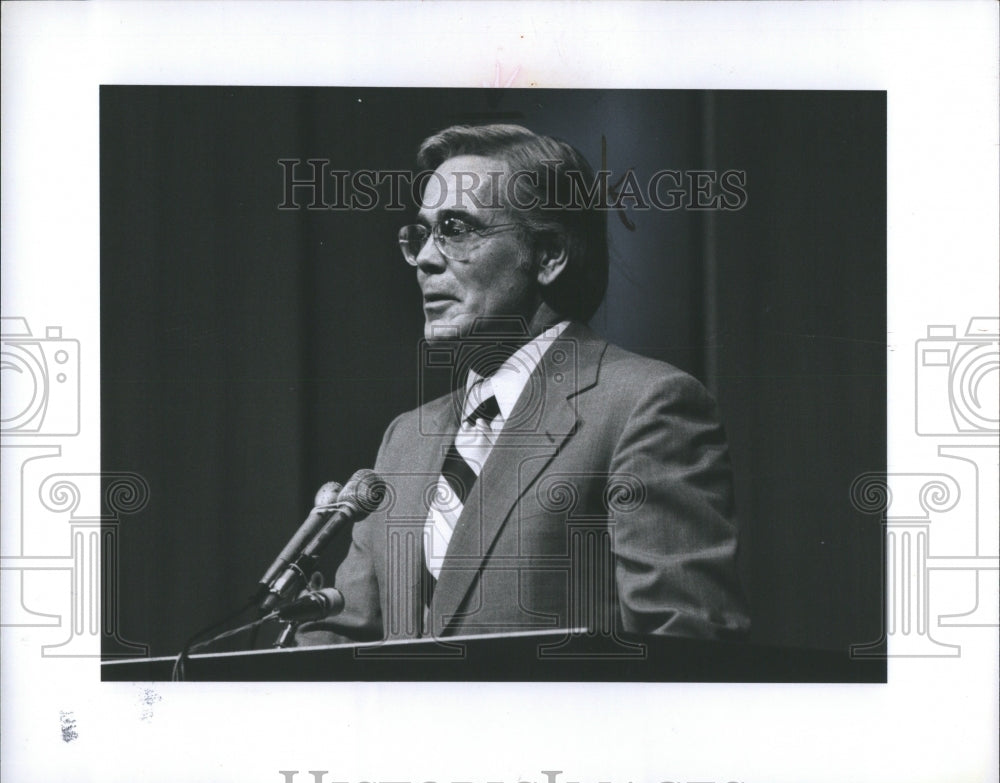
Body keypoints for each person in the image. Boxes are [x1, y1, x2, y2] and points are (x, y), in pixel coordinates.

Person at [296, 124, 749, 645]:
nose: (424, 259)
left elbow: (686, 645)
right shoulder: (404, 438)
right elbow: (345, 640)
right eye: (421, 234)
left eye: (457, 229)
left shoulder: (645, 407)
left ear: (549, 254)